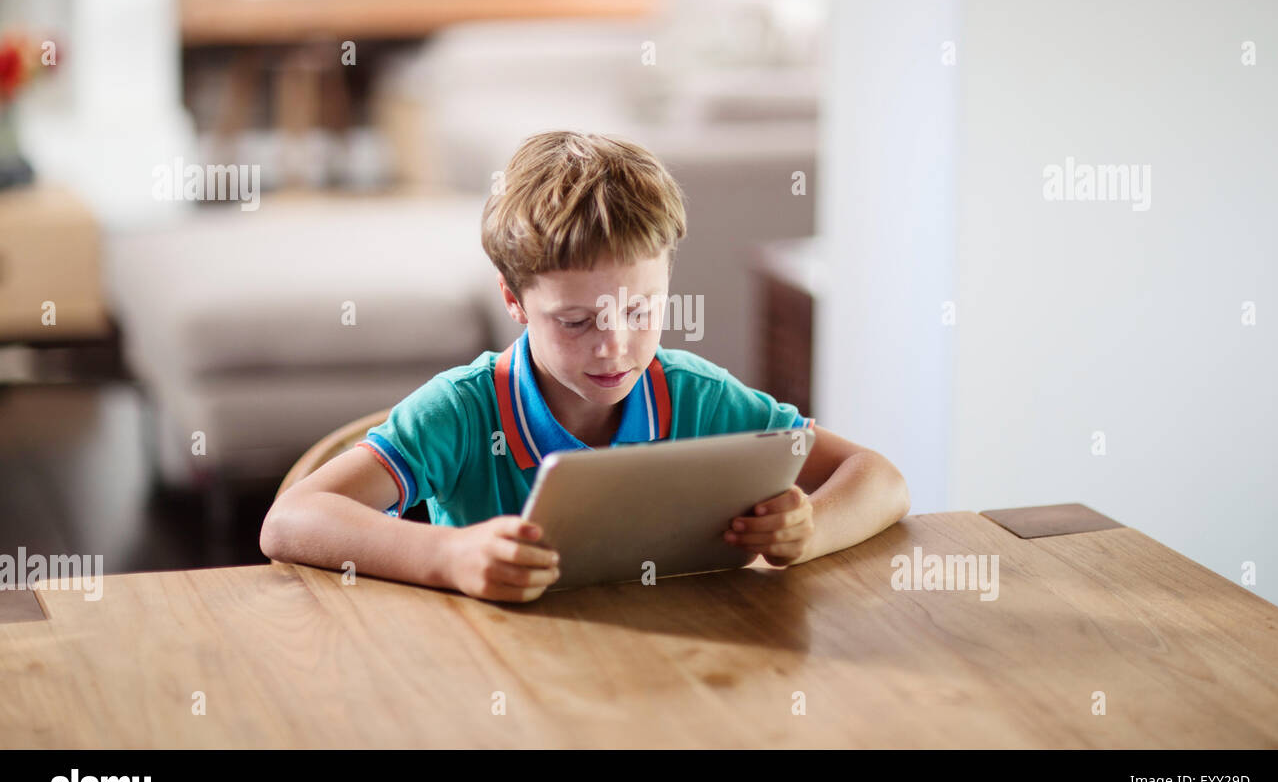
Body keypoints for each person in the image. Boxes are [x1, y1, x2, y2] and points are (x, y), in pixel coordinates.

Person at [260, 131, 909, 601]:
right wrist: (447, 554)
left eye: (641, 311)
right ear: (513, 300)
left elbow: (879, 478)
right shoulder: (462, 411)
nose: (615, 347)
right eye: (576, 321)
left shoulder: (699, 398)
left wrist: (810, 529)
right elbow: (292, 519)